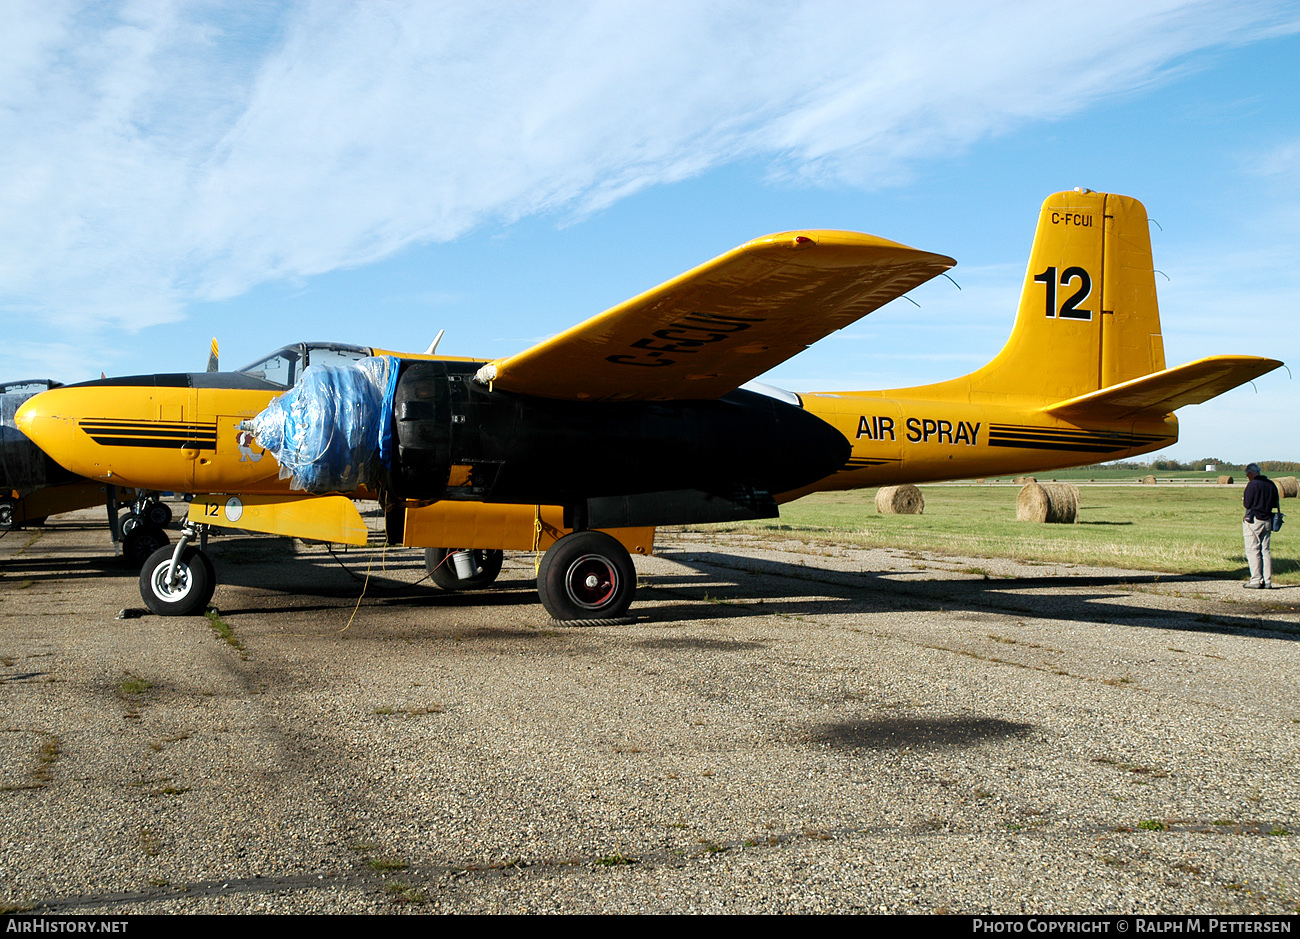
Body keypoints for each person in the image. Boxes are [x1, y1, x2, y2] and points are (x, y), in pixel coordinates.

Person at [1241, 463, 1279, 589]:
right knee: (1265, 550)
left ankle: (1256, 579)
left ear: (1251, 473)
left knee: (1253, 550)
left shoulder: (1253, 484)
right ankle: (1267, 580)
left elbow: (1247, 503)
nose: (1248, 477)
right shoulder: (1271, 484)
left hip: (1254, 520)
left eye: (1248, 475)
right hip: (1268, 519)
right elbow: (1275, 502)